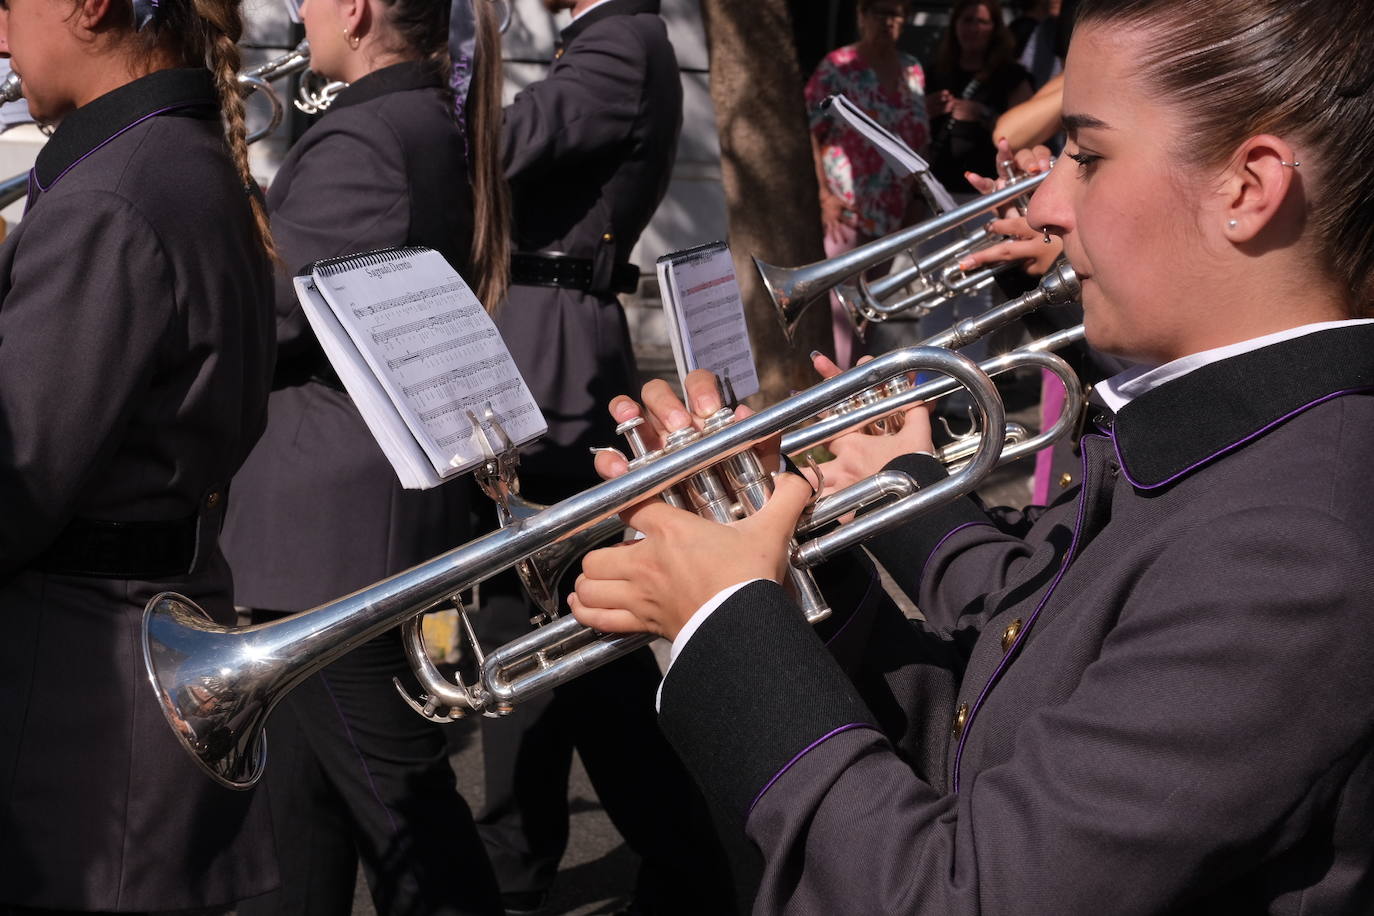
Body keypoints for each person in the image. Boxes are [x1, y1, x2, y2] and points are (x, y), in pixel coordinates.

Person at [570, 0, 1374, 910]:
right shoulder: (1229, 441)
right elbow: (1018, 695)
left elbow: (960, 896)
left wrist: (729, 621)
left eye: (1090, 155)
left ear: (1248, 185)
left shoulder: (1292, 544)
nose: (1043, 205)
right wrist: (789, 584)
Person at [218, 1, 507, 914]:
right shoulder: (414, 115)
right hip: (336, 521)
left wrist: (210, 208)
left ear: (357, 9)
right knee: (299, 819)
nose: (301, 10)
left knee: (404, 816)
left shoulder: (366, 136)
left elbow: (267, 309)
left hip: (327, 535)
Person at [0, 0, 278, 911]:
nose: (0, 38)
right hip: (154, 636)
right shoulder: (180, 159)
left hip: (86, 690)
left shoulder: (110, 198)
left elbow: (15, 485)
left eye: (7, 7)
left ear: (88, 7)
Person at [473, 1, 738, 913]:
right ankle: (524, 857)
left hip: (554, 372)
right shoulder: (609, 40)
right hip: (543, 350)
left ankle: (685, 857)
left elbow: (508, 142)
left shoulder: (619, 40)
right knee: (538, 628)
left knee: (579, 639)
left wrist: (420, 86)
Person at [803, 0, 929, 368]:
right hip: (846, 209)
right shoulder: (837, 66)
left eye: (896, 14)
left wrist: (914, 202)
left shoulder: (912, 69)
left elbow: (918, 136)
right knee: (841, 313)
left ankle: (859, 393)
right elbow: (812, 131)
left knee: (870, 309)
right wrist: (823, 194)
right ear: (860, 16)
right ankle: (837, 397)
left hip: (893, 212)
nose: (888, 22)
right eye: (879, 12)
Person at [925, 0, 1032, 192]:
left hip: (987, 191)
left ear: (995, 29)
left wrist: (983, 115)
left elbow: (1028, 131)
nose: (973, 28)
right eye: (967, 20)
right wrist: (923, 112)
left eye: (982, 22)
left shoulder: (1012, 76)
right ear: (955, 25)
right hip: (936, 190)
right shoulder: (934, 73)